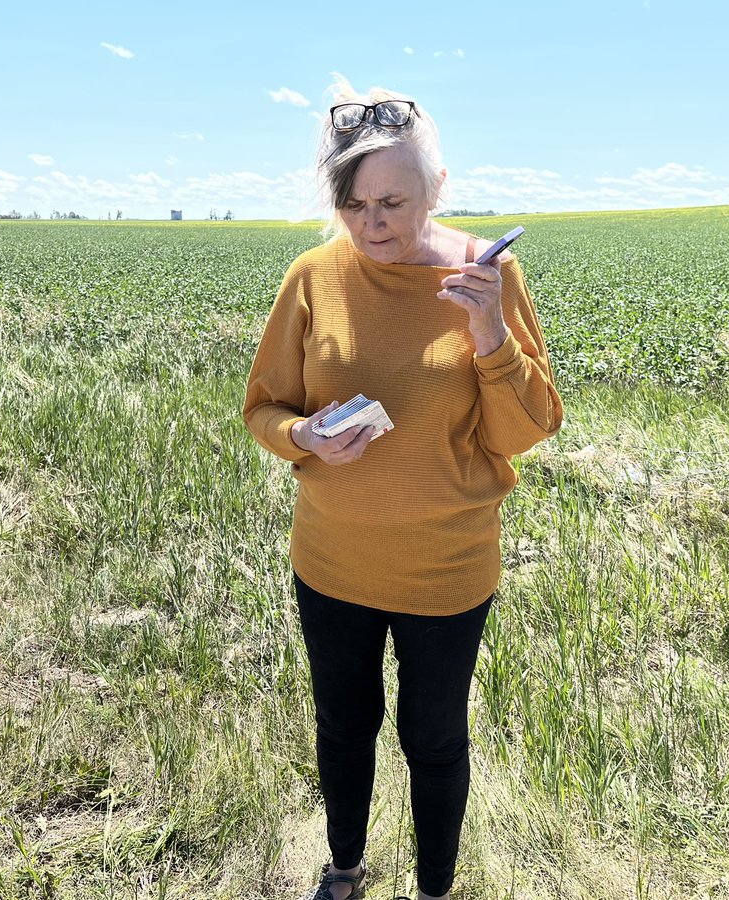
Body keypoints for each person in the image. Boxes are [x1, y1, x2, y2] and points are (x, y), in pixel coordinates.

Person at [242, 79, 563, 900]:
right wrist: (302, 438)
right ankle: (344, 868)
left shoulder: (489, 276)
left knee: (434, 740)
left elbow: (526, 429)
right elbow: (263, 406)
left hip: (446, 570)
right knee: (344, 729)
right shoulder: (312, 277)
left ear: (438, 188)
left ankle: (433, 889)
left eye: (392, 200)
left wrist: (489, 331)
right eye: (352, 204)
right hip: (332, 561)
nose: (372, 224)